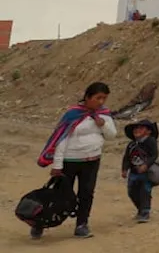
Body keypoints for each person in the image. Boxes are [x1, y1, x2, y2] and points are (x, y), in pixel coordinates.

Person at [34, 81, 116, 239]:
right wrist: (57, 165)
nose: (101, 102)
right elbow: (61, 138)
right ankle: (41, 223)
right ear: (87, 97)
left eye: (104, 98)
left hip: (92, 161)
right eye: (98, 98)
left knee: (86, 193)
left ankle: (81, 225)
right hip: (69, 161)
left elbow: (111, 135)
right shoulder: (73, 114)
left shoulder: (104, 114)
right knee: (60, 195)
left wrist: (103, 124)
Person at [121, 119, 159, 223]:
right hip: (134, 172)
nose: (137, 130)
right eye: (136, 128)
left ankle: (145, 212)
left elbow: (154, 155)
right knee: (132, 192)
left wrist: (146, 165)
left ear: (148, 131)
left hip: (146, 173)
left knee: (145, 191)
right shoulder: (131, 145)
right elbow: (126, 158)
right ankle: (140, 209)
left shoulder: (151, 141)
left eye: (141, 128)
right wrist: (124, 169)